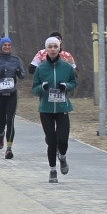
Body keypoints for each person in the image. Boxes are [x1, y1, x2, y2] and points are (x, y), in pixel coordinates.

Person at [32, 37, 77, 182]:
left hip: (62, 107)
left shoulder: (66, 67)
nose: (52, 49)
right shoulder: (41, 68)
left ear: (59, 49)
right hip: (46, 109)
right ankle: (52, 170)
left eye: (55, 46)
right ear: (46, 49)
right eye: (49, 47)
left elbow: (73, 82)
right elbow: (34, 89)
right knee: (51, 141)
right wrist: (42, 88)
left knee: (62, 140)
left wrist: (67, 86)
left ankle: (62, 157)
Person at [0, 37, 26, 159]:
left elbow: (23, 75)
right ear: (1, 46)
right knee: (1, 122)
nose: (7, 47)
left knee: (10, 120)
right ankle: (0, 134)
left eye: (9, 45)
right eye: (5, 45)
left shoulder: (16, 60)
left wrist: (18, 73)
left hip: (12, 94)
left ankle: (9, 149)